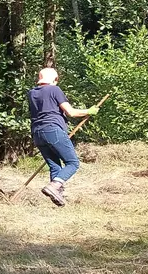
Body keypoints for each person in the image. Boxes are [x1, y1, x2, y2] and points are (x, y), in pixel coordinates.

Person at [27, 67, 99, 207]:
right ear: (55, 79)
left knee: (55, 166)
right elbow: (70, 112)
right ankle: (54, 187)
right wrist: (88, 111)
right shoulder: (54, 90)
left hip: (37, 133)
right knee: (73, 163)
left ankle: (58, 196)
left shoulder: (32, 93)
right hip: (53, 130)